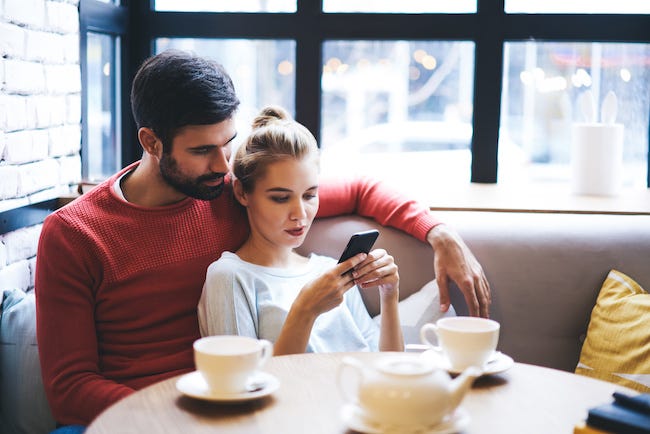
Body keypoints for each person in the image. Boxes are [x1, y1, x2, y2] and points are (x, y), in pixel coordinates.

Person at [35, 49, 490, 429]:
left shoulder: (234, 193)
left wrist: (440, 233)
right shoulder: (75, 235)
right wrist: (176, 416)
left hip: (235, 403)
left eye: (228, 144)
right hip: (141, 416)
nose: (222, 164)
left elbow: (360, 189)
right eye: (201, 150)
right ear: (152, 142)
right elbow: (70, 389)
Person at [198, 106, 404, 354]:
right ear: (242, 193)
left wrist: (389, 295)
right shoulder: (230, 276)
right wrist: (305, 311)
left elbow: (389, 370)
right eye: (281, 198)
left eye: (309, 195)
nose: (300, 214)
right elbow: (238, 385)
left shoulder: (330, 272)